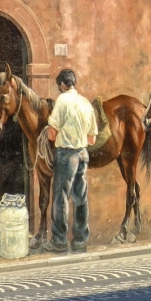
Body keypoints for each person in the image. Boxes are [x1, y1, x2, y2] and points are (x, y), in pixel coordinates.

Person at [42, 69, 98, 253]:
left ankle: (59, 241)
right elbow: (92, 139)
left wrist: (55, 135)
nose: (59, 89)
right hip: (83, 154)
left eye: (59, 86)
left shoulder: (62, 100)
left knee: (61, 197)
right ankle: (80, 241)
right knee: (80, 198)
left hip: (66, 154)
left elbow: (51, 133)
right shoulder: (85, 103)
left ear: (63, 85)